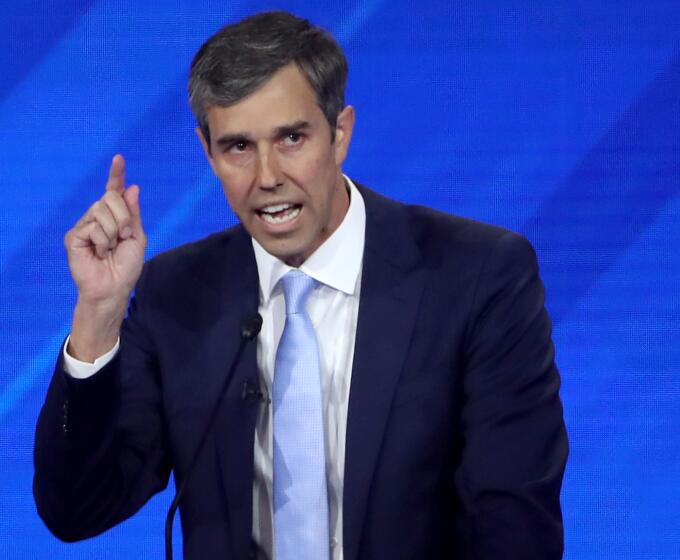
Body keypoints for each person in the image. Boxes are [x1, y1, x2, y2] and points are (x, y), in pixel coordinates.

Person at [33, 10, 568, 560]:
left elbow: (514, 527)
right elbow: (78, 510)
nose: (267, 176)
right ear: (208, 151)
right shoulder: (176, 293)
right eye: (238, 147)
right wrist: (99, 312)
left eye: (291, 138)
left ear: (340, 134)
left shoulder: (475, 276)